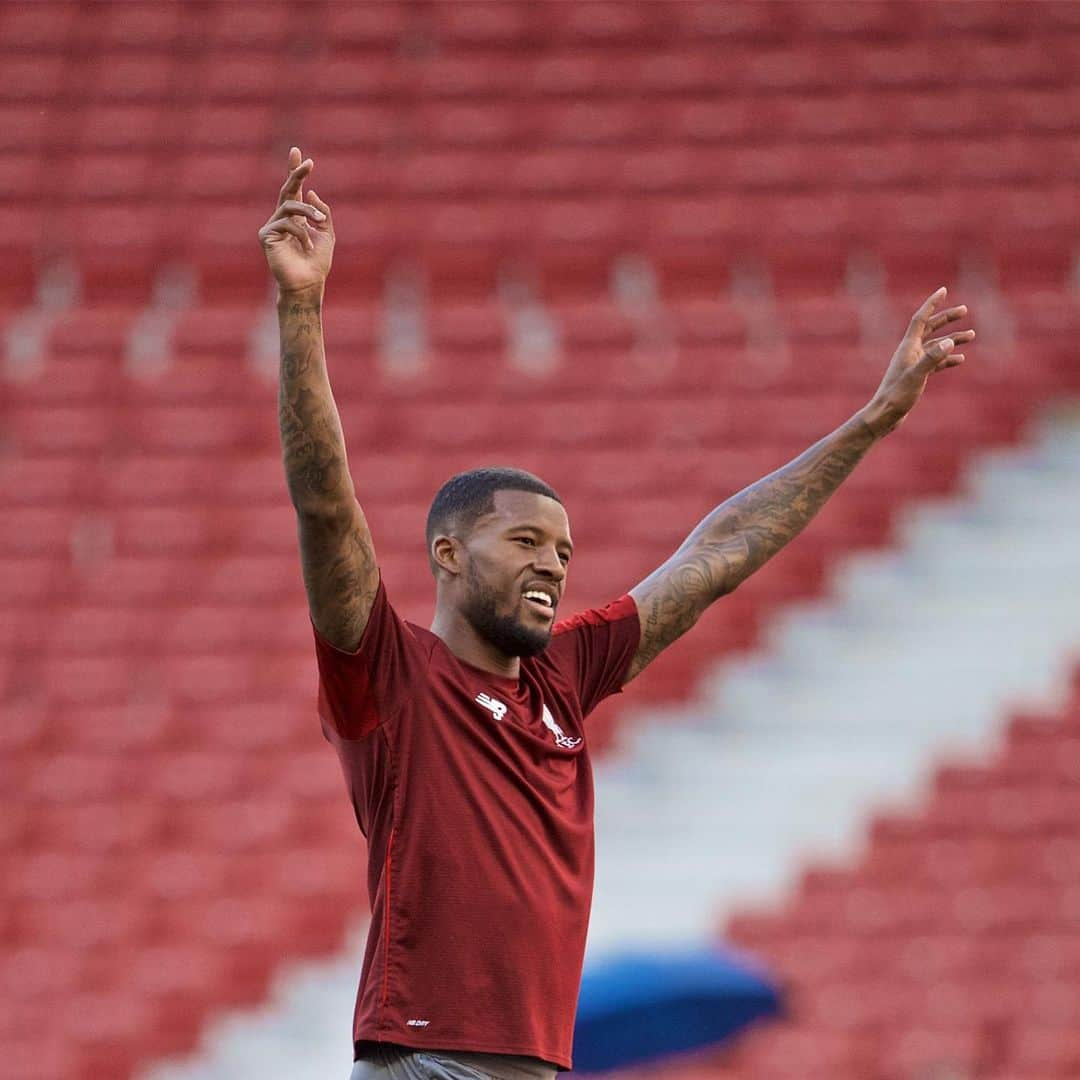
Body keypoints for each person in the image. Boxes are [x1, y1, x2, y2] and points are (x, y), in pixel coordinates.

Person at [259, 147, 974, 1080]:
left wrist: (874, 419)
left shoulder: (564, 672)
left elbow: (716, 556)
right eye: (524, 543)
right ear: (446, 554)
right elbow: (325, 505)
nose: (553, 565)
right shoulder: (390, 676)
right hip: (425, 1065)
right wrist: (301, 308)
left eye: (562, 550)